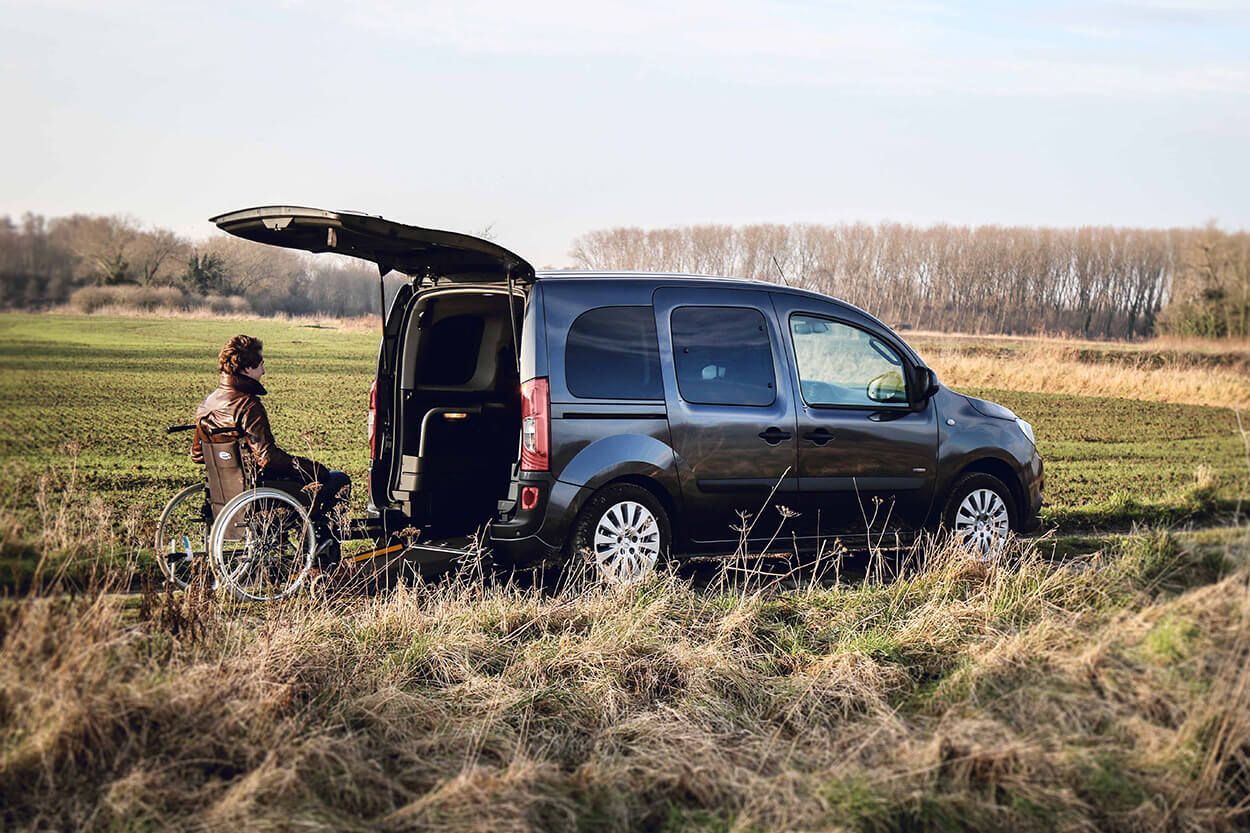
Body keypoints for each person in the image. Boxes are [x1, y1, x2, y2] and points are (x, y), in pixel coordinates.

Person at [190, 334, 350, 564]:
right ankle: (321, 552)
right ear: (247, 368)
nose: (264, 372)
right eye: (261, 365)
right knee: (336, 480)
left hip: (225, 489)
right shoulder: (248, 404)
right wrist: (311, 467)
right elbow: (267, 457)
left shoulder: (209, 403)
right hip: (258, 488)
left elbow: (198, 455)